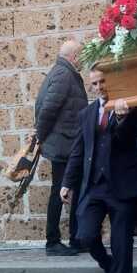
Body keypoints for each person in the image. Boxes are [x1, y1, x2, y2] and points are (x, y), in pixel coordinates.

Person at [61, 69, 137, 273]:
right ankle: (108, 266)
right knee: (85, 235)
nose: (99, 87)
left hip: (123, 187)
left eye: (103, 81)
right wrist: (67, 183)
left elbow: (128, 138)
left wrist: (121, 117)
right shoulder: (87, 113)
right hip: (94, 186)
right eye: (95, 83)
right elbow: (79, 150)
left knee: (121, 245)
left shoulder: (133, 108)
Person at [34, 39, 88, 256]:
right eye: (81, 56)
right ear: (74, 56)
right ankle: (53, 242)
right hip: (63, 144)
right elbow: (47, 108)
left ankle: (76, 238)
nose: (83, 60)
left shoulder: (62, 72)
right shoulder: (64, 74)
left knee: (72, 188)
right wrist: (40, 137)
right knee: (59, 191)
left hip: (67, 143)